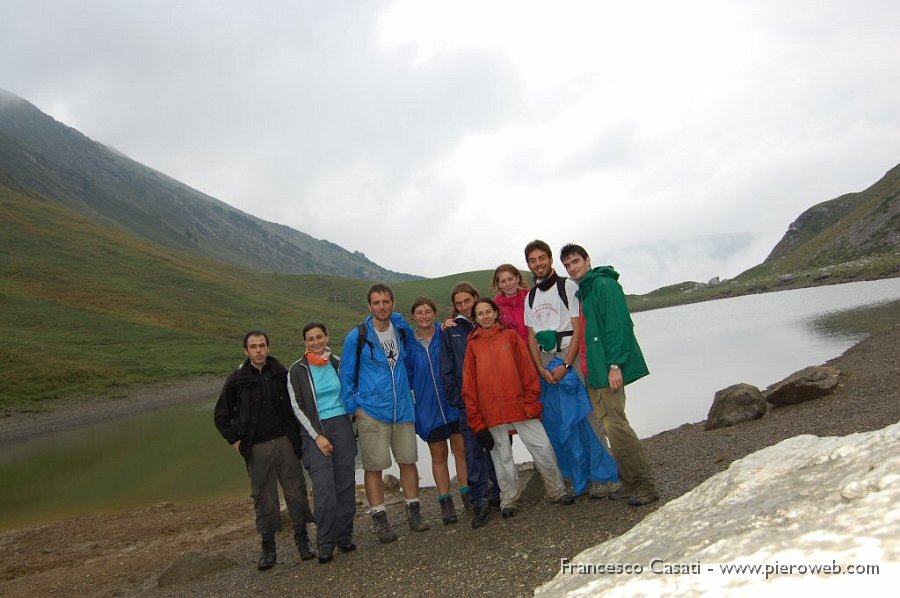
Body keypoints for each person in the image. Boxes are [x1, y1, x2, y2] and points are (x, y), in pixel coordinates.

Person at [560, 243, 659, 507]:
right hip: (593, 370)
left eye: (575, 262)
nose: (572, 268)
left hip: (607, 369)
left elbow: (618, 326)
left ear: (587, 260)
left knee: (617, 425)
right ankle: (629, 481)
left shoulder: (604, 285)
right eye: (567, 265)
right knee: (610, 426)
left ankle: (645, 484)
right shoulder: (586, 291)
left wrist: (615, 365)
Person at [462, 298, 575, 521]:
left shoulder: (511, 336)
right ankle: (509, 499)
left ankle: (557, 490)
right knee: (501, 457)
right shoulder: (472, 345)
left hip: (520, 405)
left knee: (542, 446)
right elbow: (469, 386)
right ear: (475, 319)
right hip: (491, 412)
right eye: (480, 313)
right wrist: (477, 423)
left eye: (488, 311)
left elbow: (527, 370)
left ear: (496, 313)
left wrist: (532, 402)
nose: (485, 316)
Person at [213, 331, 315, 571]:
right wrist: (236, 441)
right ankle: (268, 548)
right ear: (246, 351)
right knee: (263, 497)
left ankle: (303, 541)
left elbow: (298, 406)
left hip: (285, 443)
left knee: (296, 491)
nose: (258, 350)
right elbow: (221, 416)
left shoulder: (283, 374)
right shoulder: (237, 380)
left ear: (268, 348)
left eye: (262, 346)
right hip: (255, 448)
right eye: (253, 347)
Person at [522, 239, 615, 498]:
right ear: (528, 264)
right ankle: (578, 478)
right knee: (560, 421)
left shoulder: (568, 286)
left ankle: (603, 476)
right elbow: (531, 335)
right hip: (544, 359)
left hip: (567, 356)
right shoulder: (530, 296)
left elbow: (578, 328)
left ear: (550, 259)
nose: (538, 264)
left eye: (542, 258)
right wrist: (539, 367)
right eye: (532, 260)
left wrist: (565, 363)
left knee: (586, 416)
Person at [340, 284, 429, 543]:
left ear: (393, 303)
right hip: (371, 411)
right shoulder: (356, 337)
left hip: (402, 408)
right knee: (374, 467)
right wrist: (354, 409)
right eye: (377, 303)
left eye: (386, 302)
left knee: (408, 460)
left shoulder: (400, 330)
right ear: (370, 306)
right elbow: (346, 375)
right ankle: (380, 518)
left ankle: (414, 512)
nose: (382, 307)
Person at [287, 322, 357, 564]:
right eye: (310, 338)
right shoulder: (297, 369)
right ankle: (325, 542)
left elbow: (350, 391)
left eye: (319, 337)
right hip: (315, 431)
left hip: (342, 426)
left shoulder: (337, 362)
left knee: (346, 483)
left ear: (327, 337)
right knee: (324, 487)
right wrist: (317, 435)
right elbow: (297, 407)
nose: (316, 342)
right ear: (304, 342)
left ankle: (344, 535)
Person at [440, 282, 502, 528]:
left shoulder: (489, 323)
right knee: (473, 452)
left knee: (498, 447)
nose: (465, 306)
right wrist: (457, 399)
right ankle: (480, 503)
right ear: (454, 307)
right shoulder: (451, 330)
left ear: (476, 298)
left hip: (494, 401)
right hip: (468, 402)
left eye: (468, 301)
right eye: (459, 303)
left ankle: (501, 495)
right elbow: (446, 368)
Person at [405, 296, 467, 525]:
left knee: (461, 451)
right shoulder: (408, 344)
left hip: (452, 402)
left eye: (427, 311)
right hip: (427, 408)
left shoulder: (446, 333)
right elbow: (408, 379)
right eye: (419, 312)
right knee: (438, 456)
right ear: (414, 316)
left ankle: (467, 495)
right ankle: (445, 502)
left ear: (434, 313)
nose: (424, 316)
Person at [491, 263, 530, 343]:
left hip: (537, 350)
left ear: (517, 278)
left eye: (510, 279)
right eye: (503, 281)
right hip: (513, 353)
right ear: (499, 285)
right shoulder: (494, 307)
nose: (508, 284)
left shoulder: (531, 297)